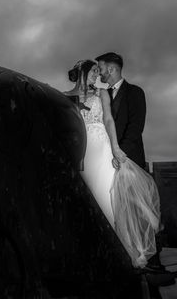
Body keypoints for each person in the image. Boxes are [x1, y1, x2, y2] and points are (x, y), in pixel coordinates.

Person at [65, 59, 161, 268]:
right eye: (93, 71)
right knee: (84, 197)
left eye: (98, 72)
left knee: (107, 196)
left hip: (101, 148)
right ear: (82, 71)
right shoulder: (65, 97)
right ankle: (88, 250)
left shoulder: (102, 94)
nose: (96, 76)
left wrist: (116, 148)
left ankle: (115, 253)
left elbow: (109, 120)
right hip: (80, 150)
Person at [94, 52, 146, 169]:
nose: (98, 74)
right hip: (106, 159)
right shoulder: (101, 95)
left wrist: (120, 153)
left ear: (111, 69)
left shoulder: (135, 92)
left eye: (100, 69)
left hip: (130, 158)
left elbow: (136, 127)